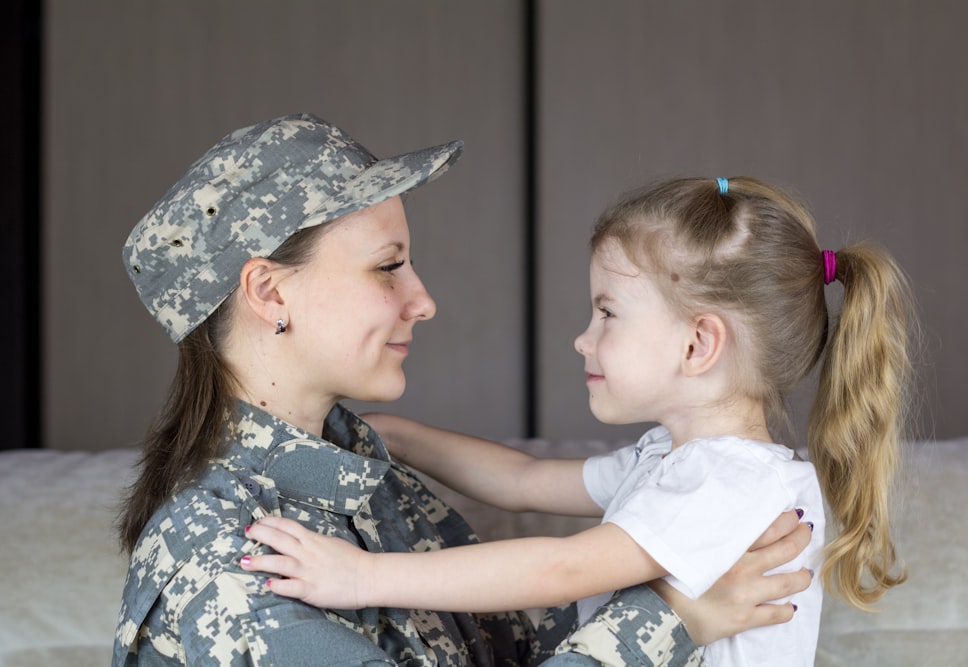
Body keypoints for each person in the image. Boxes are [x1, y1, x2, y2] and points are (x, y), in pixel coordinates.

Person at [115, 114, 813, 666]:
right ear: (270, 293)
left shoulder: (368, 480)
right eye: (388, 267)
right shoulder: (230, 554)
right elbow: (540, 519)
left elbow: (516, 637)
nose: (423, 300)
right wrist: (675, 616)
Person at [241, 176, 916, 666]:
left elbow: (563, 567)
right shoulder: (675, 456)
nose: (583, 338)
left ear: (697, 344)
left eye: (608, 313)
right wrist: (399, 436)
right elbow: (524, 480)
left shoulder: (730, 484)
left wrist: (363, 576)